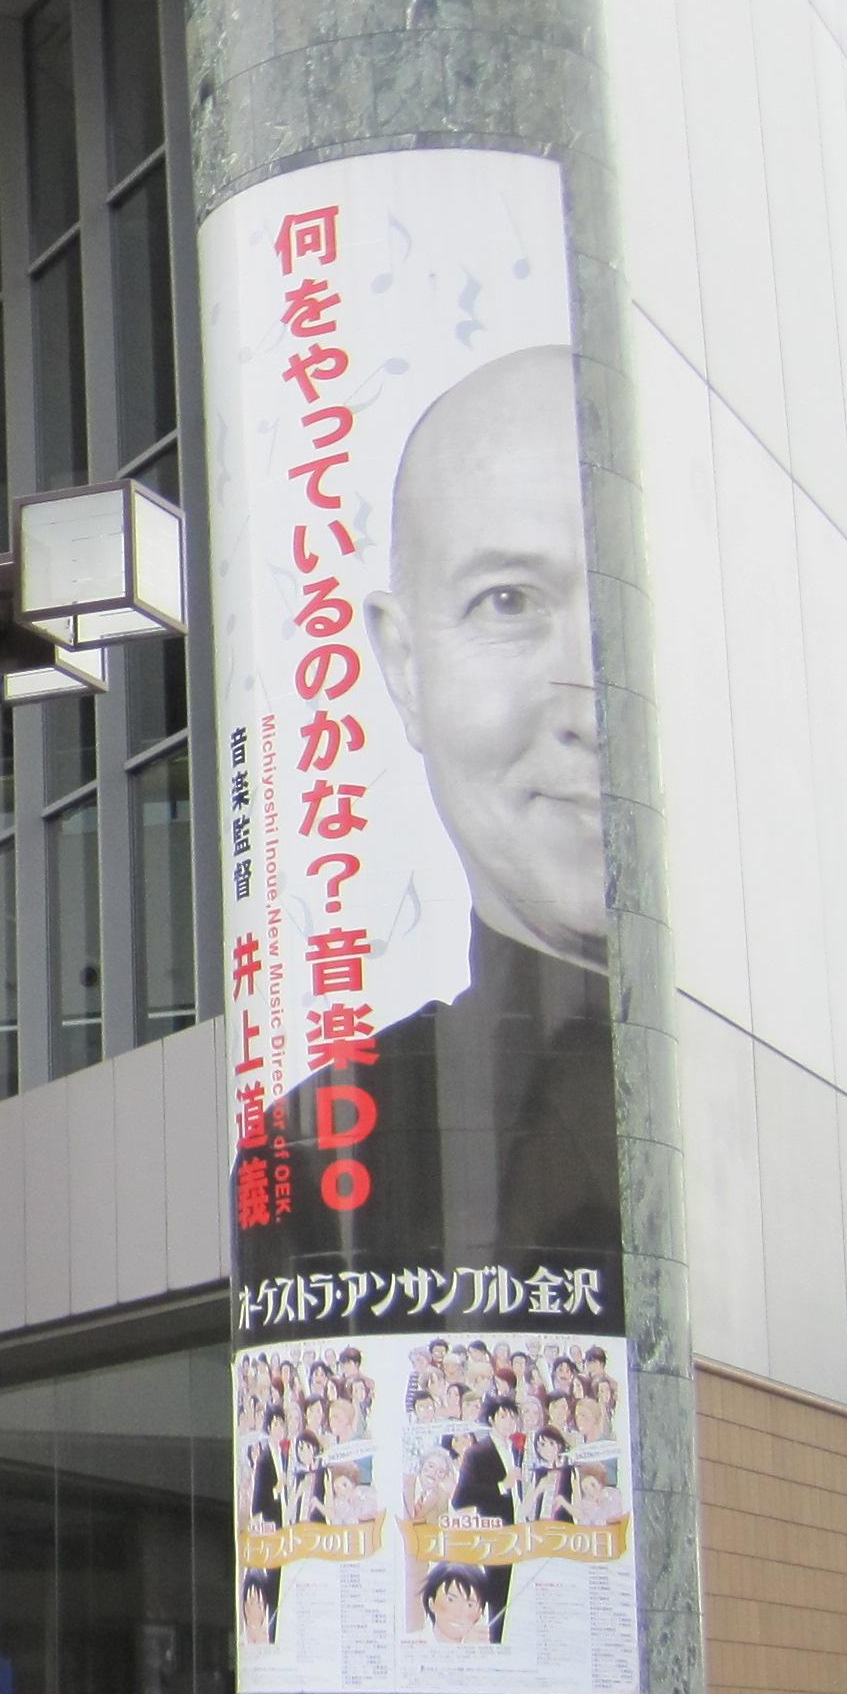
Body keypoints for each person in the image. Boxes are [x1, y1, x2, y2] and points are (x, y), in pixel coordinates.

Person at [259, 346, 622, 1277]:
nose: (593, 706)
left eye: (634, 598)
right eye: (508, 601)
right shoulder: (313, 1152)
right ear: (404, 666)